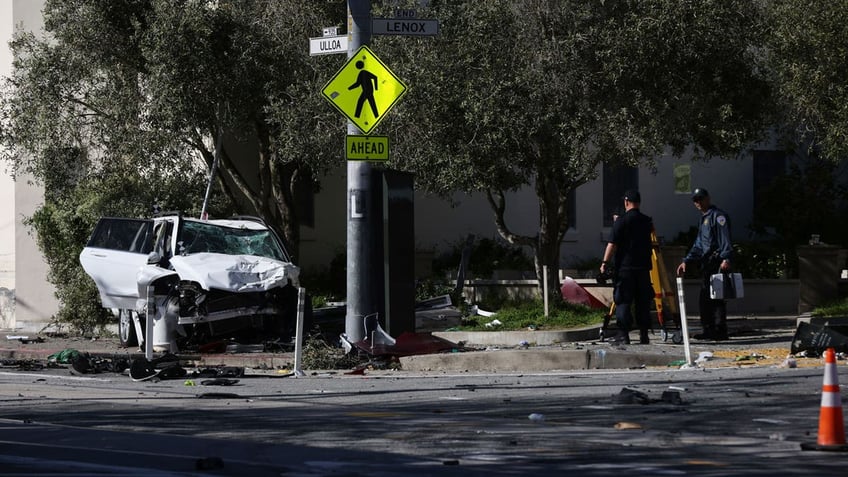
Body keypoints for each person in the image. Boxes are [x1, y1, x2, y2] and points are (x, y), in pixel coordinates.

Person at [676, 188, 733, 340]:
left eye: (700, 199)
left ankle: (719, 330)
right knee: (706, 298)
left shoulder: (717, 216)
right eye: (695, 200)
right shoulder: (704, 218)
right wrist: (687, 260)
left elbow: (724, 238)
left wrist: (726, 258)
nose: (698, 203)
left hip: (717, 262)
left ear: (708, 198)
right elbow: (699, 244)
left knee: (717, 298)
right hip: (707, 263)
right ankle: (708, 329)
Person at [600, 189, 654, 345]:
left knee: (623, 301)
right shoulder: (647, 221)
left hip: (625, 269)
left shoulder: (621, 221)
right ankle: (644, 334)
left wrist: (604, 263)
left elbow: (612, 244)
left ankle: (623, 334)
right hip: (643, 268)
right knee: (643, 302)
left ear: (626, 202)